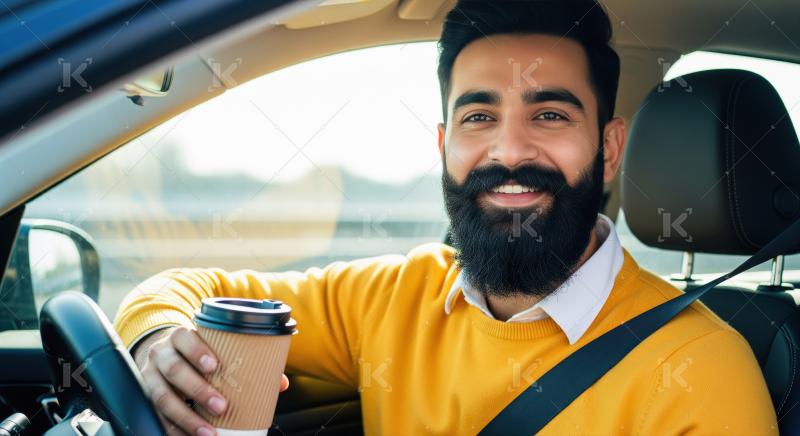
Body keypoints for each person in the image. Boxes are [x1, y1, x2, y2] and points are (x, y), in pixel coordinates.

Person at [113, 1, 779, 435]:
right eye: (479, 117)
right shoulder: (394, 298)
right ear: (444, 146)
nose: (509, 150)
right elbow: (185, 290)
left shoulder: (700, 373)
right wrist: (156, 338)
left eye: (549, 115)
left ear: (607, 149)